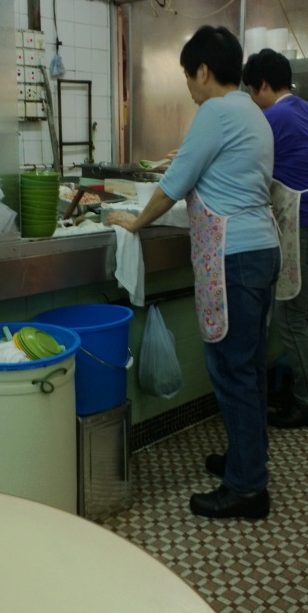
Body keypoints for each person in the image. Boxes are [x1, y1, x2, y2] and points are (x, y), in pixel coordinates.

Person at [106, 26, 281, 520]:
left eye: (188, 76)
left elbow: (175, 182)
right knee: (248, 369)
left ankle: (248, 489)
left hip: (236, 257)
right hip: (261, 251)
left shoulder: (215, 112)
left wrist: (136, 221)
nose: (188, 86)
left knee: (231, 371)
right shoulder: (253, 111)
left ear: (203, 71)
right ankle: (247, 460)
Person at [242, 48, 308, 429]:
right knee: (304, 314)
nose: (253, 102)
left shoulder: (270, 117)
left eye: (253, 93)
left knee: (289, 316)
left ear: (265, 86)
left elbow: (241, 160)